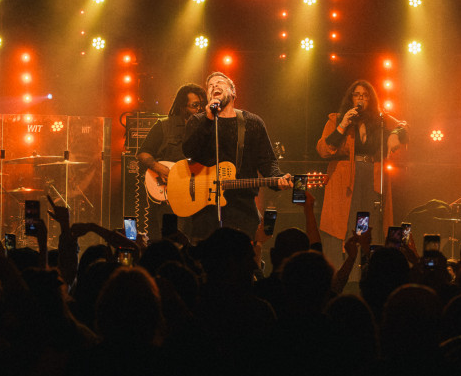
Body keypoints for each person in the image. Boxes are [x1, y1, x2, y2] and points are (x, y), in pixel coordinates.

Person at [181, 71, 292, 239]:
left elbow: (267, 160)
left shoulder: (252, 122)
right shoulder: (198, 121)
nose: (214, 86)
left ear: (233, 92)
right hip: (205, 208)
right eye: (210, 86)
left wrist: (278, 178)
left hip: (242, 208)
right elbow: (189, 152)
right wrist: (209, 119)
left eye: (220, 83)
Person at [315, 80, 408, 257]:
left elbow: (402, 126)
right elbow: (323, 150)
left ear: (371, 100)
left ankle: (365, 261)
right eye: (357, 95)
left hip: (371, 177)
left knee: (367, 221)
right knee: (347, 221)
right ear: (351, 98)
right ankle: (347, 262)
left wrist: (395, 134)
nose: (361, 99)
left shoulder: (380, 120)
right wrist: (343, 125)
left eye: (365, 96)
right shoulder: (336, 119)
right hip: (346, 179)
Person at [137, 83, 207, 240]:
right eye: (195, 105)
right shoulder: (164, 126)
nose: (200, 109)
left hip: (198, 197)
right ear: (183, 107)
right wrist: (158, 167)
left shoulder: (206, 131)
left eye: (202, 105)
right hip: (170, 198)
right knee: (173, 241)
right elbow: (143, 153)